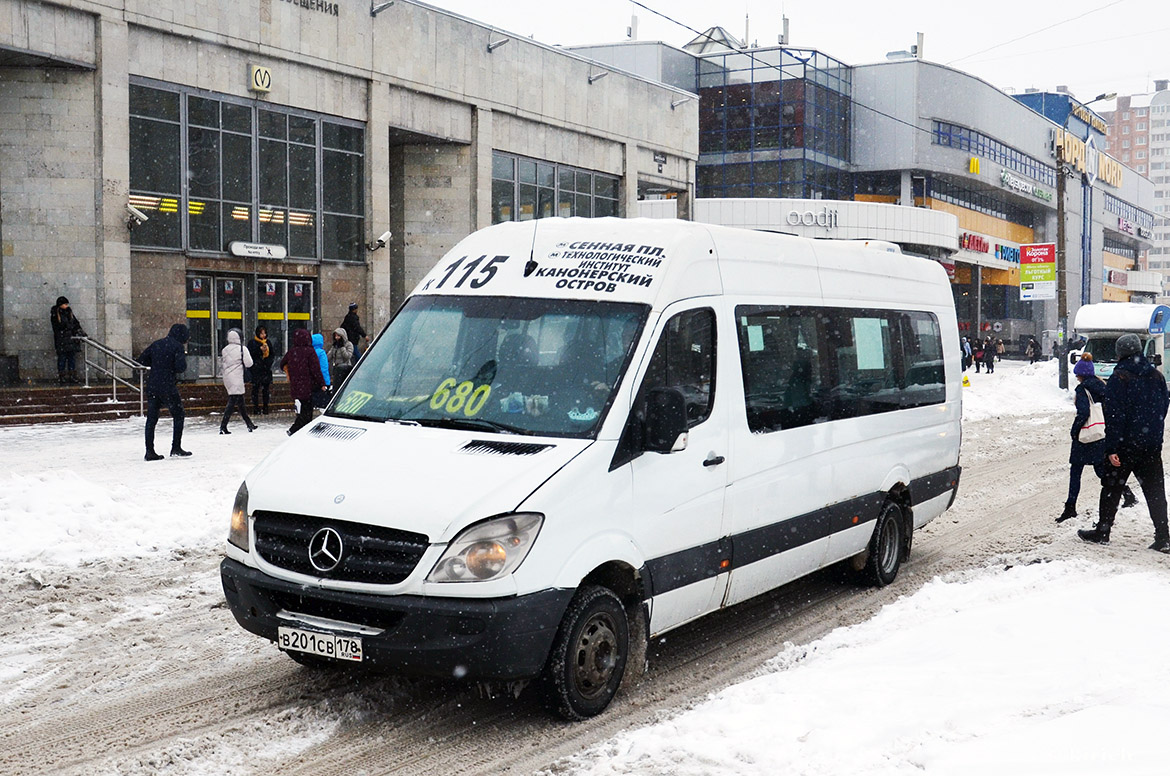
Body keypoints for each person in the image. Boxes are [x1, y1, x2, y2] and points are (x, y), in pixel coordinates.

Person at [1079, 334, 1170, 552]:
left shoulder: (1119, 378)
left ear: (1120, 353)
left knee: (1111, 488)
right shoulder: (1156, 377)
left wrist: (1112, 448)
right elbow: (1163, 408)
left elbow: (1114, 416)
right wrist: (1153, 435)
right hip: (1150, 446)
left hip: (1124, 446)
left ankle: (1103, 530)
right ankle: (1164, 536)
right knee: (1155, 491)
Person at [1059, 354, 1135, 522]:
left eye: (1077, 374)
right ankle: (1128, 494)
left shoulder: (1082, 389)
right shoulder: (1102, 385)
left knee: (1076, 472)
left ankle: (1070, 507)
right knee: (1101, 470)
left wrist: (1075, 431)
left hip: (1085, 436)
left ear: (1081, 374)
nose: (1076, 377)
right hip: (1101, 434)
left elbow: (1084, 413)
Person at [139, 323, 192, 460]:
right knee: (179, 414)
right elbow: (180, 368)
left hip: (153, 385)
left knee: (151, 419)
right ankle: (176, 447)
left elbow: (142, 359)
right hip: (168, 386)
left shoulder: (157, 344)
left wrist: (157, 365)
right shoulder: (177, 346)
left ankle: (149, 451)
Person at [280, 328, 324, 435]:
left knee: (305, 409)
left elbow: (282, 364)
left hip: (296, 386)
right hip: (308, 386)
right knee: (307, 411)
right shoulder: (310, 351)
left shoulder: (292, 351)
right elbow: (316, 369)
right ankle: (295, 429)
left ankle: (300, 429)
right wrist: (322, 382)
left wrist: (291, 371)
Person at [218, 328, 257, 434]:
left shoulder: (225, 349)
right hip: (237, 377)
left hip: (228, 377)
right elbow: (249, 363)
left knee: (240, 402)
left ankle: (249, 424)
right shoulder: (242, 349)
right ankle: (223, 426)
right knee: (232, 401)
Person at [49, 296, 87, 384]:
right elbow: (58, 327)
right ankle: (63, 376)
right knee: (63, 358)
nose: (66, 306)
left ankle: (71, 375)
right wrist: (70, 327)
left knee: (71, 358)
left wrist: (79, 331)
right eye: (65, 304)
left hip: (70, 339)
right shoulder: (56, 314)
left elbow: (75, 323)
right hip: (62, 340)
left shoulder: (69, 312)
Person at [247, 325, 275, 416]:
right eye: (261, 333)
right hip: (256, 370)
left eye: (264, 333)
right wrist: (259, 350)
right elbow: (250, 354)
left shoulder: (268, 343)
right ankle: (256, 408)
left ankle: (265, 407)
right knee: (255, 389)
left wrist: (267, 363)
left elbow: (272, 355)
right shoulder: (253, 343)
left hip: (265, 370)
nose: (263, 335)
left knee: (266, 390)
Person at [311, 332, 331, 409]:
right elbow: (324, 368)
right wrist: (326, 382)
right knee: (322, 404)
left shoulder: (310, 352)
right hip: (321, 380)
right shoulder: (321, 353)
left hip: (312, 381)